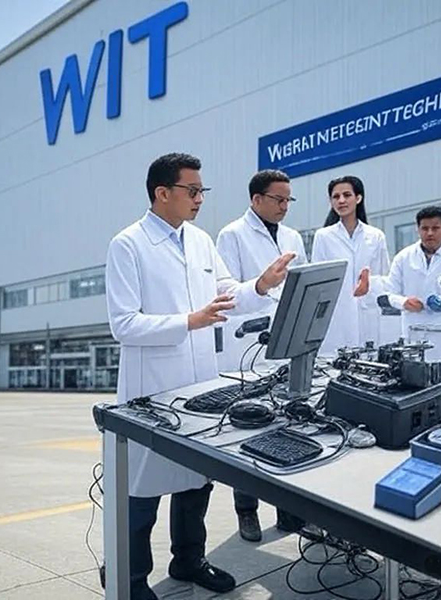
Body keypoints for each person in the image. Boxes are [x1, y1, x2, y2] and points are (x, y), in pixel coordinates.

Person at [105, 153, 295, 600]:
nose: (200, 199)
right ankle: (132, 581)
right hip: (151, 389)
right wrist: (189, 321)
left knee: (195, 481)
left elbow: (226, 292)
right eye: (192, 191)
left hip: (199, 387)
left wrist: (261, 285)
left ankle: (189, 559)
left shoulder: (201, 240)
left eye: (201, 191)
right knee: (142, 491)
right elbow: (123, 324)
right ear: (162, 193)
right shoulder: (128, 244)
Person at [216, 169, 308, 543]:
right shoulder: (232, 235)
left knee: (290, 425)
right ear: (256, 199)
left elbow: (302, 285)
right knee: (248, 428)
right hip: (249, 345)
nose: (285, 206)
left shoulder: (293, 237)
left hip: (287, 341)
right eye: (278, 199)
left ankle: (290, 510)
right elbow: (227, 293)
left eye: (288, 200)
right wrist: (263, 287)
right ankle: (247, 510)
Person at [355, 205, 441, 390]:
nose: (430, 233)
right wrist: (404, 302)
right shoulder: (404, 257)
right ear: (417, 229)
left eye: (435, 228)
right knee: (414, 387)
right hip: (413, 333)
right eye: (425, 228)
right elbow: (389, 293)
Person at [311, 175, 392, 355]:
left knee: (368, 363)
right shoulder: (323, 236)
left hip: (367, 312)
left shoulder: (375, 236)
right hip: (335, 315)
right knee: (334, 362)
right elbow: (318, 281)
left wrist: (369, 285)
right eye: (336, 197)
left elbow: (385, 278)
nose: (341, 200)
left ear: (358, 198)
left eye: (347, 195)